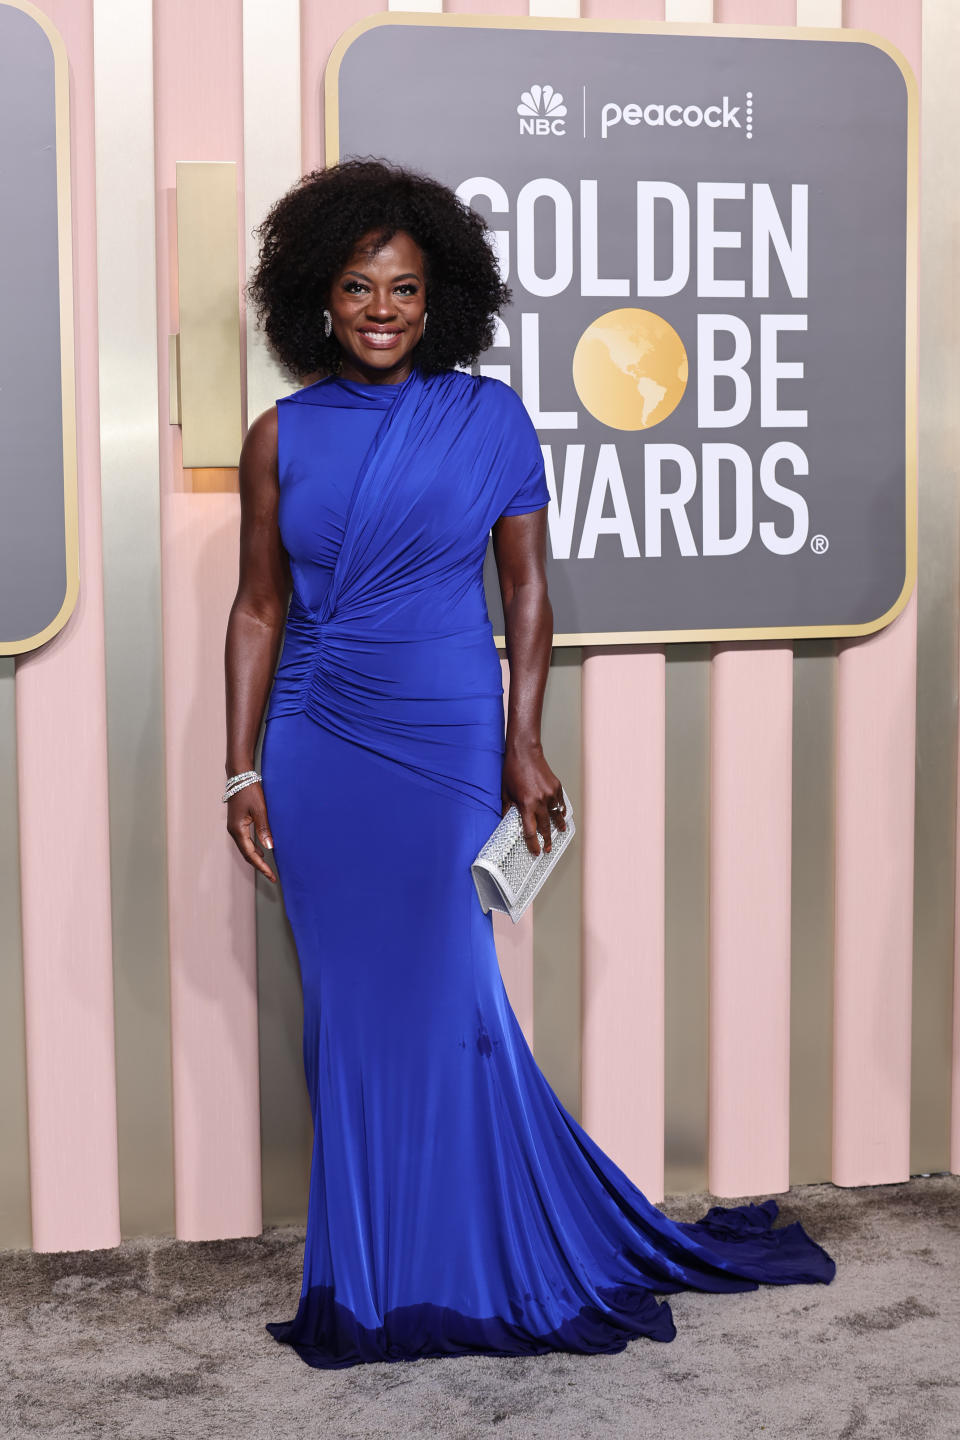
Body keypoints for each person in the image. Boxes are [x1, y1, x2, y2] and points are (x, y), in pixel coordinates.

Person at [224, 157, 836, 1370]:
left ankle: (466, 1253)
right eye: (357, 287)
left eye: (404, 286)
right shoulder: (279, 434)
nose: (382, 308)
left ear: (439, 294)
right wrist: (238, 770)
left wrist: (523, 739)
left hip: (445, 729)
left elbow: (528, 591)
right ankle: (374, 1271)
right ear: (317, 300)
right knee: (345, 1017)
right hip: (318, 740)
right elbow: (257, 610)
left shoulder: (491, 417)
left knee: (449, 994)